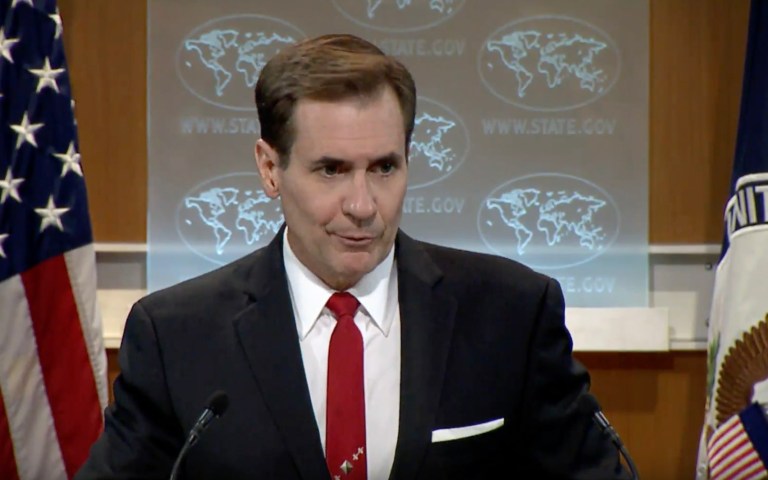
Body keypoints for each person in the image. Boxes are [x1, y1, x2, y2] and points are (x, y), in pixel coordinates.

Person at [76, 33, 629, 480]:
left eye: (384, 167)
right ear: (270, 169)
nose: (363, 206)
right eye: (331, 170)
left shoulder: (511, 313)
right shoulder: (176, 336)